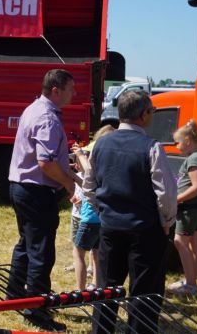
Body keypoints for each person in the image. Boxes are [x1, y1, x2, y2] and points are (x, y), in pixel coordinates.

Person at [82, 90, 177, 334]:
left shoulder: (101, 143)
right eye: (152, 112)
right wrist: (167, 222)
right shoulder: (152, 147)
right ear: (144, 114)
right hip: (144, 229)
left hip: (110, 227)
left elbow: (89, 187)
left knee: (106, 289)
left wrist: (102, 211)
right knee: (144, 293)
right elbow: (165, 193)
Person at [6, 69, 80, 332]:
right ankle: (36, 311)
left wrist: (70, 174)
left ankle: (14, 295)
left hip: (21, 186)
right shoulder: (47, 117)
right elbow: (46, 163)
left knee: (27, 243)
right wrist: (69, 183)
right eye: (71, 88)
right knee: (41, 251)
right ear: (56, 90)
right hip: (36, 190)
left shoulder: (33, 108)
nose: (75, 93)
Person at [70, 125, 115, 291]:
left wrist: (81, 156)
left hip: (90, 217)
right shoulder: (111, 162)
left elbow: (89, 174)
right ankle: (95, 285)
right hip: (102, 217)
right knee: (96, 252)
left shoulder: (95, 162)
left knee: (78, 252)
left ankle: (80, 290)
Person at [168, 120, 197, 297]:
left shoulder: (194, 159)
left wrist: (177, 199)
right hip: (195, 207)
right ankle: (190, 280)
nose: (176, 146)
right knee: (193, 243)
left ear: (188, 141)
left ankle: (191, 285)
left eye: (178, 142)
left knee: (179, 241)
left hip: (188, 209)